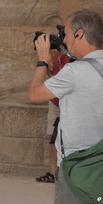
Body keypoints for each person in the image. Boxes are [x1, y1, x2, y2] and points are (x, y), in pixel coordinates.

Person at [30, 10, 103, 204]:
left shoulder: (74, 72)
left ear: (79, 34)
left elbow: (35, 94)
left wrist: (42, 61)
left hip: (77, 169)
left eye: (66, 34)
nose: (63, 39)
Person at [35, 49, 73, 184]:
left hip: (68, 101)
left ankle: (66, 171)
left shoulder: (75, 56)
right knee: (52, 136)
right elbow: (55, 78)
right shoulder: (58, 55)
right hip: (55, 100)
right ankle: (53, 170)